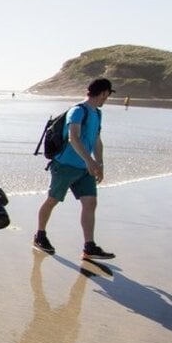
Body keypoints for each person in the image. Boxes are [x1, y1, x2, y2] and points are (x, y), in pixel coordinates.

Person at [33, 78, 116, 260]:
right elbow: (73, 138)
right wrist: (90, 161)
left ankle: (89, 246)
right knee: (52, 200)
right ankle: (40, 235)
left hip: (85, 168)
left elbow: (97, 140)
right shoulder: (78, 111)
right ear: (103, 93)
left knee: (90, 203)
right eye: (108, 94)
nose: (107, 98)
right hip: (65, 166)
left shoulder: (97, 113)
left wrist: (100, 163)